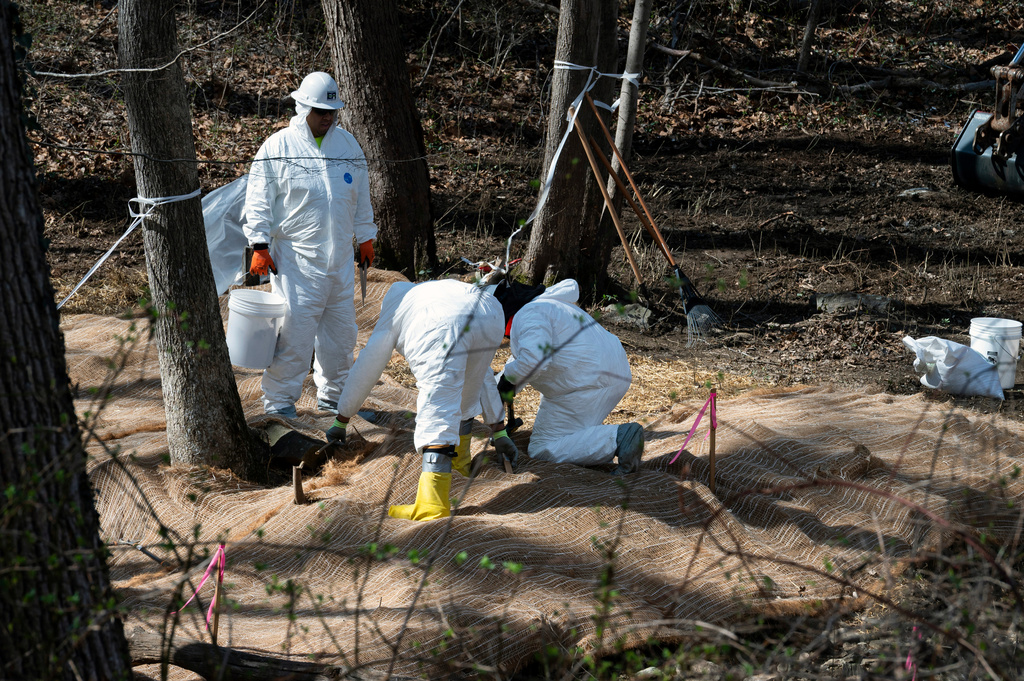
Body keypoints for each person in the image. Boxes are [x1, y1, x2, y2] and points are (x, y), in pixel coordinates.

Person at [325, 279, 518, 522]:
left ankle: (432, 503)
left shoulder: (398, 306)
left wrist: (342, 418)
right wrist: (499, 431)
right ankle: (460, 464)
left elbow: (367, 366)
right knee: (470, 381)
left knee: (439, 403)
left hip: (440, 323)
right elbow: (484, 378)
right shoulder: (432, 292)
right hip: (490, 312)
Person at [244, 71, 377, 418]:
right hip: (296, 263)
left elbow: (361, 197)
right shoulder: (279, 147)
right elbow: (258, 198)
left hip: (339, 264)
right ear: (302, 107)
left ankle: (335, 400)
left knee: (340, 338)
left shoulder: (348, 146)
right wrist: (259, 243)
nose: (327, 117)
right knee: (293, 337)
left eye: (331, 111)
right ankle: (279, 406)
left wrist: (365, 236)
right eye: (320, 110)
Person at [496, 279, 644, 475]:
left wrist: (507, 381)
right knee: (566, 437)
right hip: (599, 376)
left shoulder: (528, 315)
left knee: (543, 447)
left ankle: (619, 438)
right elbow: (523, 359)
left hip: (587, 384)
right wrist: (501, 383)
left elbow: (535, 359)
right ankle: (612, 439)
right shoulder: (544, 307)